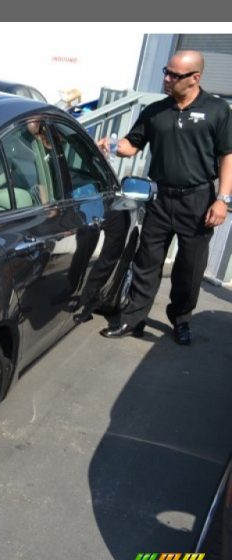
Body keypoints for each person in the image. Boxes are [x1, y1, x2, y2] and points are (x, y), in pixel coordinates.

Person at [97, 50, 232, 345]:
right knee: (146, 261)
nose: (166, 79)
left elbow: (227, 155)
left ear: (195, 78)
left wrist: (222, 199)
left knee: (189, 267)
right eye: (165, 72)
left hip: (198, 200)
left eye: (174, 75)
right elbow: (132, 146)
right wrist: (111, 145)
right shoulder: (156, 111)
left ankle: (182, 320)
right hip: (159, 197)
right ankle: (133, 319)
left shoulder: (217, 110)